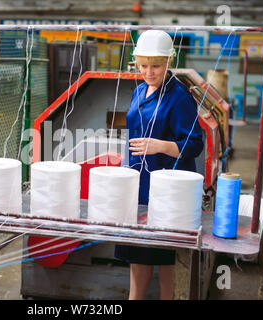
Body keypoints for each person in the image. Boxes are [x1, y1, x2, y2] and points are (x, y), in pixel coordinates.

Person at [114, 30, 204, 300]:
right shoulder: (140, 90)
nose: (148, 71)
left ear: (168, 63)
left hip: (167, 187)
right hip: (139, 182)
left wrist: (160, 145)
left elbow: (194, 144)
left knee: (162, 254)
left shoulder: (179, 97)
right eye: (143, 66)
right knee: (139, 251)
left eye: (155, 66)